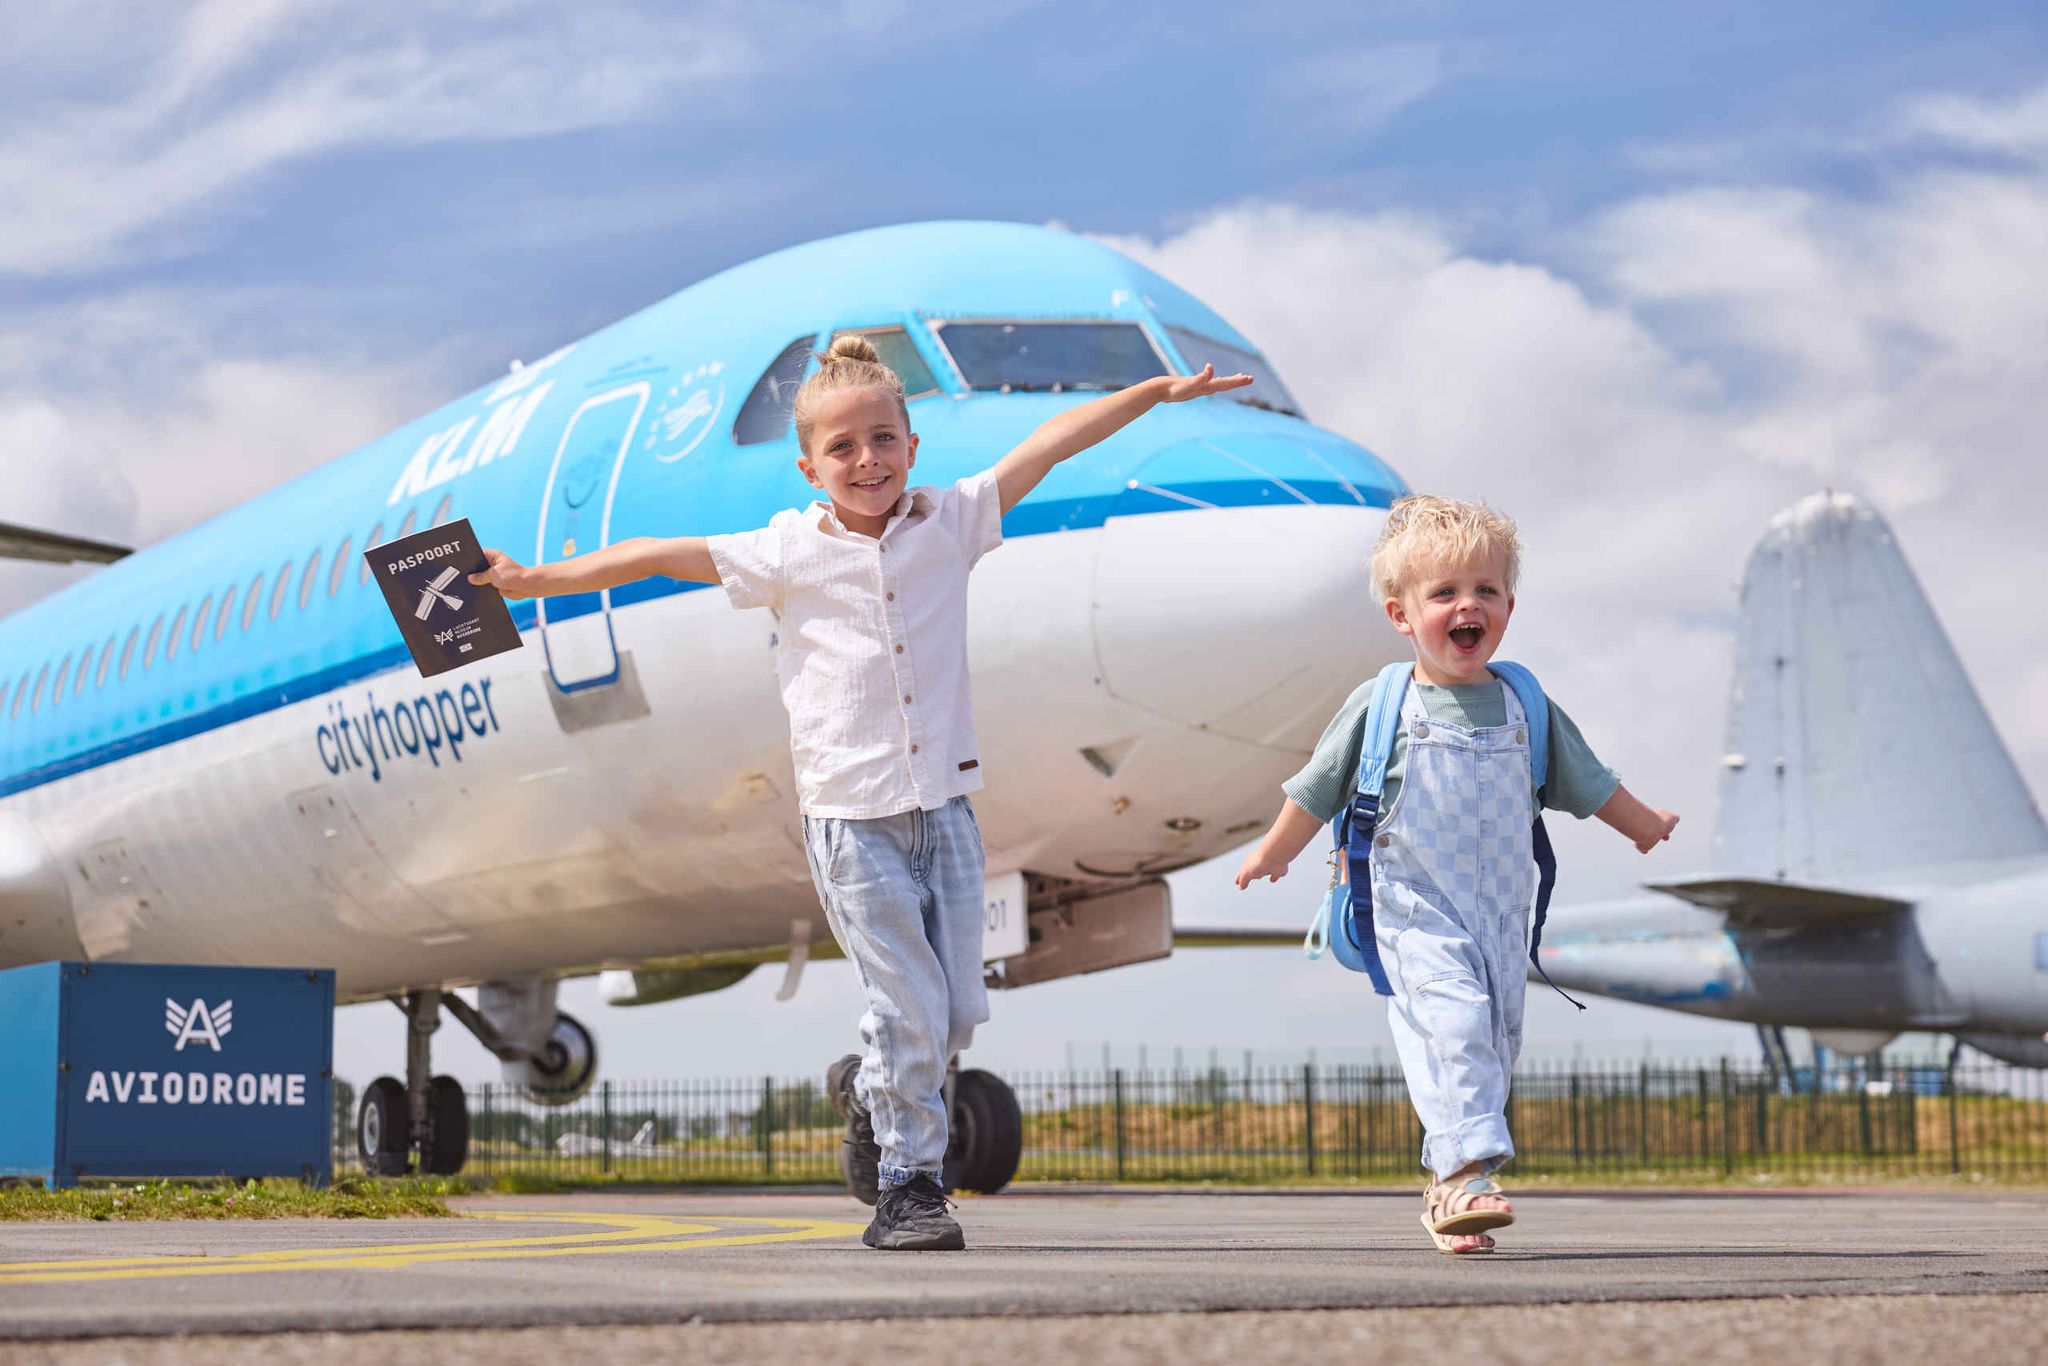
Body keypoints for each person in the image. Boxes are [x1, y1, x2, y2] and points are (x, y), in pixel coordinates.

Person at [473, 333, 1249, 1250]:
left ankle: (864, 1091)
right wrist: (533, 580)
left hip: (946, 812)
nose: (866, 460)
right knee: (909, 1006)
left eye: (883, 439)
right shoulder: (786, 553)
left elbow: (1052, 443)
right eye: (842, 447)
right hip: (852, 821)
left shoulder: (954, 521)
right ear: (810, 466)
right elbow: (651, 556)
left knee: (954, 1013)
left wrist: (1153, 394)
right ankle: (907, 1190)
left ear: (912, 446)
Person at [1232, 494, 1679, 1254]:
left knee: (1490, 1047)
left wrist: (1641, 826)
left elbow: (1587, 780)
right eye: (1444, 593)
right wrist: (1275, 850)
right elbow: (1317, 785)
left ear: (1508, 605)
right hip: (1415, 915)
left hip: (1502, 918)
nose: (1467, 606)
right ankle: (1472, 1172)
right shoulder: (1383, 705)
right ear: (1402, 615)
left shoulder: (1524, 704)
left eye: (1485, 591)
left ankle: (1448, 1191)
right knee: (1455, 1026)